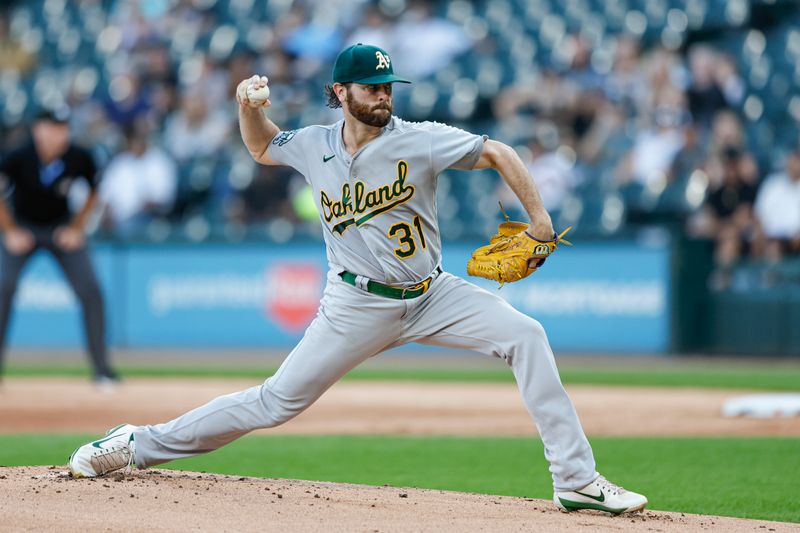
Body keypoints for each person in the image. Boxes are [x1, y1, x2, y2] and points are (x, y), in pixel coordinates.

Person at [68, 44, 648, 515]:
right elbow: (263, 144)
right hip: (355, 303)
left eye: (389, 86)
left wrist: (540, 220)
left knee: (527, 336)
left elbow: (496, 151)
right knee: (275, 402)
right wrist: (247, 104)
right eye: (372, 87)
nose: (383, 96)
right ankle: (136, 444)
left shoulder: (417, 136)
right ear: (340, 93)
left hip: (432, 293)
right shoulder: (316, 145)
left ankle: (576, 480)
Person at [0, 108, 118, 384]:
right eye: (53, 127)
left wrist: (77, 227)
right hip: (24, 226)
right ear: (38, 130)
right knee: (3, 287)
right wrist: (10, 231)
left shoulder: (79, 156)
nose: (60, 133)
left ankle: (102, 370)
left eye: (64, 127)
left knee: (90, 290)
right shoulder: (19, 156)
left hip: (60, 228)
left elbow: (95, 191)